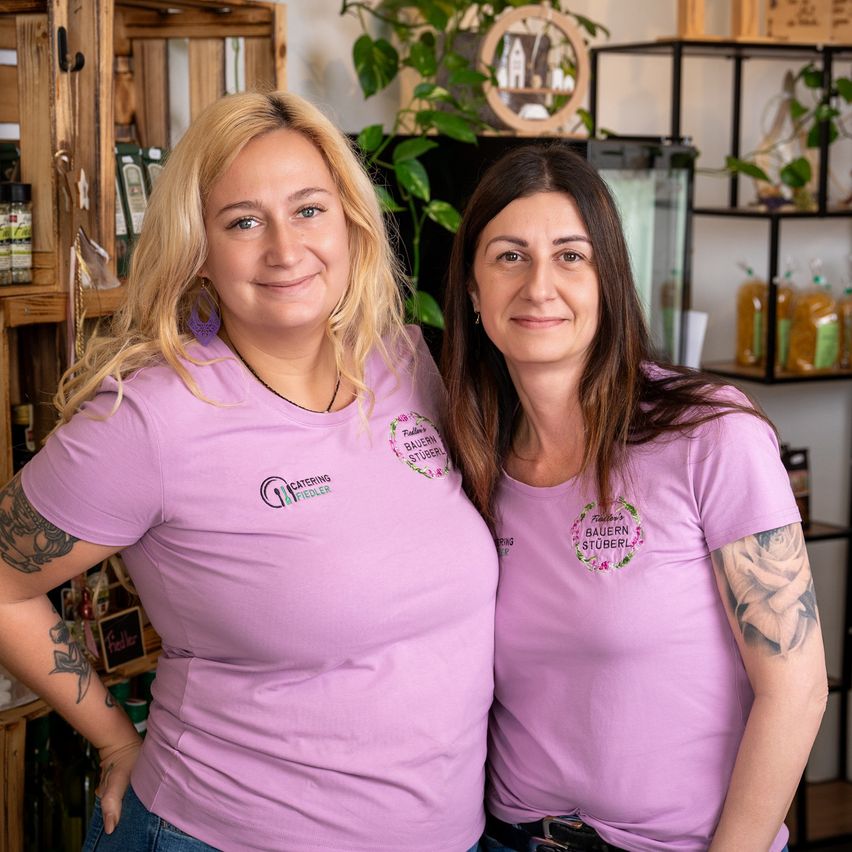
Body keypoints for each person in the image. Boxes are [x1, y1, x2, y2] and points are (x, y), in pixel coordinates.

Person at [0, 90, 497, 852]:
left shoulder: (402, 362)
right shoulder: (149, 417)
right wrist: (113, 738)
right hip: (221, 835)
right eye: (242, 221)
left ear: (351, 222)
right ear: (197, 246)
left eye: (308, 210)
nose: (285, 250)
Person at [441, 143, 827, 852]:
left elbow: (795, 689)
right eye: (508, 256)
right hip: (509, 838)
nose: (538, 286)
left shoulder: (711, 434)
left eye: (570, 256)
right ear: (471, 289)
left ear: (609, 279)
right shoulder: (466, 458)